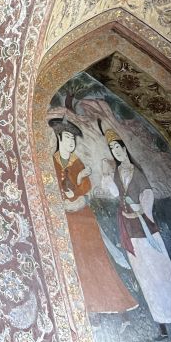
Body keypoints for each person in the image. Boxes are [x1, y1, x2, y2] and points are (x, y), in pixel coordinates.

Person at [101, 128, 171, 340]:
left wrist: (140, 210)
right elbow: (114, 193)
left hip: (146, 231)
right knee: (147, 281)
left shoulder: (136, 172)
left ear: (124, 149)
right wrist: (106, 175)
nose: (116, 151)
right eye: (112, 149)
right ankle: (163, 329)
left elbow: (147, 194)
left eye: (118, 147)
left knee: (165, 277)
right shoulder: (118, 174)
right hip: (130, 231)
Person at [49, 118, 137, 314]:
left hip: (83, 214)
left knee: (96, 256)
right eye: (68, 137)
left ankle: (111, 302)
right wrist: (72, 188)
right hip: (65, 218)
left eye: (73, 139)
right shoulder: (52, 162)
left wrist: (79, 182)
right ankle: (85, 306)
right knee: (75, 260)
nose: (71, 142)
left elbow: (86, 187)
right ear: (59, 138)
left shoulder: (76, 162)